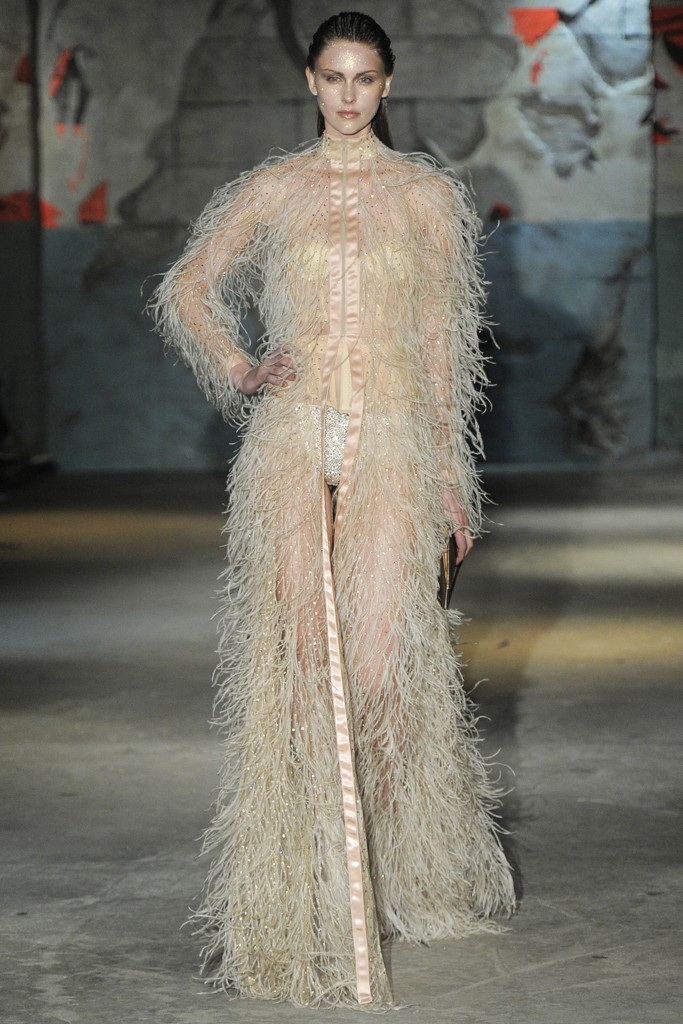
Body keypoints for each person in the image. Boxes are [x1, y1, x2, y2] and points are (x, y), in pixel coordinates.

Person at [150, 11, 516, 1010]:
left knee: (384, 669)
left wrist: (450, 482)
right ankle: (305, 889)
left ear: (386, 87)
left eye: (364, 78)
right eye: (332, 77)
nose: (348, 95)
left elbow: (441, 345)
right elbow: (188, 288)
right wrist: (239, 365)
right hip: (292, 443)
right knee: (305, 674)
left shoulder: (425, 196)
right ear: (310, 83)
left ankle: (398, 867)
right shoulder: (275, 189)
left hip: (396, 444)